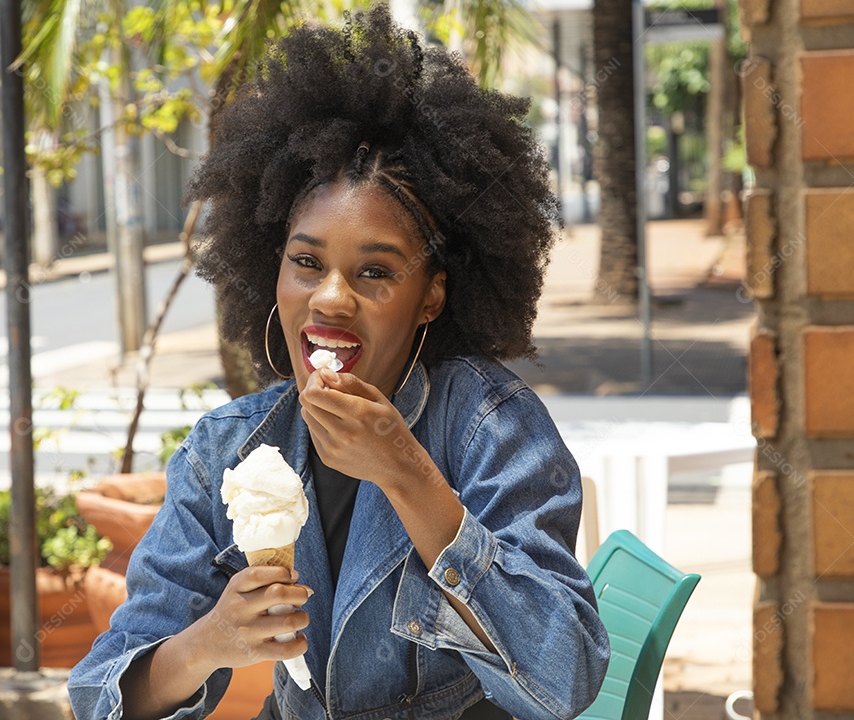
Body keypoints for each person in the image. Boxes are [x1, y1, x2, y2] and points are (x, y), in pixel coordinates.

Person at [68, 6, 610, 720]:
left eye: (376, 273)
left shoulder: (489, 429)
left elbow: (563, 677)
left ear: (430, 296)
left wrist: (406, 471)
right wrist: (209, 642)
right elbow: (99, 697)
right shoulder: (227, 449)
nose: (329, 298)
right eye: (306, 262)